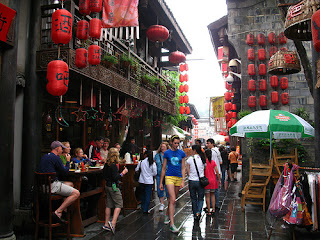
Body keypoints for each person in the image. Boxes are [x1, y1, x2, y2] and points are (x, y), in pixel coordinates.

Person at [38, 141, 80, 223]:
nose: (62, 151)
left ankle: (65, 209)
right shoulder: (56, 158)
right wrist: (68, 161)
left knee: (70, 184)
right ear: (57, 149)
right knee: (76, 193)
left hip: (42, 186)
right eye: (61, 149)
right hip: (51, 185)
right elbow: (65, 171)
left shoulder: (45, 156)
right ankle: (58, 212)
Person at [160, 135, 186, 233]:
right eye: (175, 143)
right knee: (173, 199)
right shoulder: (167, 153)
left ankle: (167, 215)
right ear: (171, 142)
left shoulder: (182, 153)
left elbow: (183, 167)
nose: (176, 145)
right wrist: (161, 182)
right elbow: (163, 168)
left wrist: (183, 180)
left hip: (178, 177)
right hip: (169, 177)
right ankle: (172, 224)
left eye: (178, 143)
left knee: (173, 200)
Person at [102, 148, 128, 234]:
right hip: (113, 186)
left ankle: (106, 223)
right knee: (119, 204)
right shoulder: (113, 166)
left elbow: (104, 175)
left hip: (107, 185)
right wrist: (123, 173)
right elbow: (116, 177)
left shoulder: (106, 164)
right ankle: (113, 223)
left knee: (109, 204)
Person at [186, 145, 206, 221]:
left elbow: (187, 169)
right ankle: (198, 212)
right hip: (200, 181)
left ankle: (195, 214)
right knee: (200, 198)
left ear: (194, 150)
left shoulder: (190, 159)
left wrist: (190, 175)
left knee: (193, 198)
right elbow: (205, 168)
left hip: (192, 181)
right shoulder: (202, 158)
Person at [204, 149, 221, 215]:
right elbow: (217, 171)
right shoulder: (213, 162)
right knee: (213, 195)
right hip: (213, 180)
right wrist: (219, 179)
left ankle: (209, 210)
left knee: (207, 196)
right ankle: (213, 209)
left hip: (207, 181)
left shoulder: (204, 163)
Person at [206, 138, 222, 209]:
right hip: (216, 170)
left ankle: (211, 205)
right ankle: (215, 204)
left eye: (208, 143)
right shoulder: (217, 150)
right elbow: (221, 161)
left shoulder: (211, 152)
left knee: (209, 189)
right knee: (216, 189)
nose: (207, 145)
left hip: (212, 172)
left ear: (212, 143)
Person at [154, 142, 170, 212]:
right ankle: (162, 203)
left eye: (164, 147)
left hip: (167, 174)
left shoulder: (169, 155)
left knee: (168, 189)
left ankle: (169, 203)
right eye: (162, 146)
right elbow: (154, 163)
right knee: (159, 189)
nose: (162, 148)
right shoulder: (157, 155)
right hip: (159, 174)